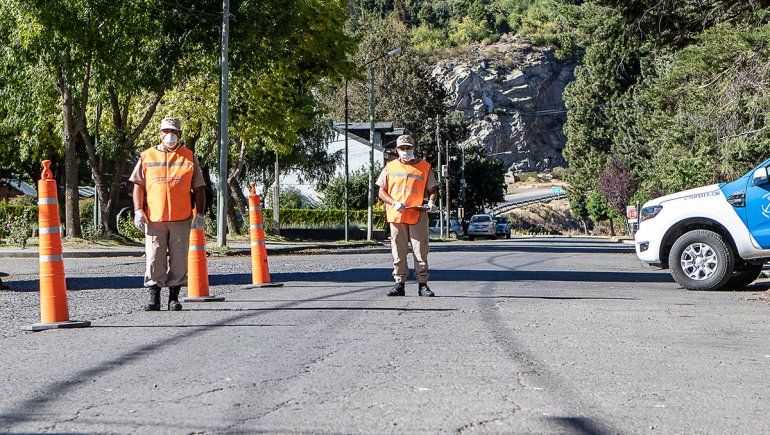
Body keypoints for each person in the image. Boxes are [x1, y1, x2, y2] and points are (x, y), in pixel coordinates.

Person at [129, 117, 206, 311]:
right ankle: (154, 299)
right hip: (154, 218)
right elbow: (138, 185)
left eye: (174, 132)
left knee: (179, 260)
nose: (170, 135)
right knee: (154, 257)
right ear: (160, 134)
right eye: (166, 131)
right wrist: (138, 210)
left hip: (181, 218)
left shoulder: (189, 157)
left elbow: (199, 188)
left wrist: (200, 214)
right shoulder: (147, 156)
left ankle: (174, 298)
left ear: (180, 134)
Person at [377, 134, 439, 297]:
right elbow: (381, 191)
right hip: (397, 215)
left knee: (420, 251)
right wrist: (394, 203)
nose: (405, 151)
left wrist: (431, 202)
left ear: (413, 148)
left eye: (408, 148)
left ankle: (423, 285)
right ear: (397, 150)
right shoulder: (390, 167)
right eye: (402, 148)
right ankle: (399, 284)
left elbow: (433, 189)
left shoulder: (425, 167)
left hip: (417, 213)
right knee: (398, 251)